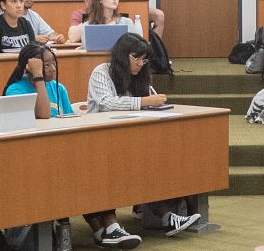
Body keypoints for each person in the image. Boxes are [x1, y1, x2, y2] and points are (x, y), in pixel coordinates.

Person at [87, 38, 203, 236]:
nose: (140, 64)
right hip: (100, 143)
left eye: (144, 60)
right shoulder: (102, 72)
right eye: (137, 58)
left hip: (130, 140)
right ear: (122, 56)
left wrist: (153, 103)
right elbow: (107, 103)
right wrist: (144, 101)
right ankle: (159, 217)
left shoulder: (140, 77)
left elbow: (145, 104)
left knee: (157, 160)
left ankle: (167, 216)